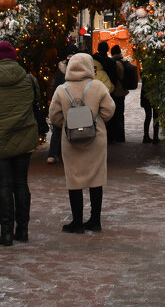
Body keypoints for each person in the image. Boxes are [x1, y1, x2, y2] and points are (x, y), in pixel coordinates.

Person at [0, 41, 38, 246]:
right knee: (21, 183)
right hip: (24, 139)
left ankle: (6, 233)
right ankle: (23, 230)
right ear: (15, 58)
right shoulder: (29, 81)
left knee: (4, 185)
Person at [49, 52, 115, 233]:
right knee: (96, 178)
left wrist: (70, 125)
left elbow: (54, 116)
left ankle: (77, 222)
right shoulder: (98, 87)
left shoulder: (62, 90)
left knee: (74, 179)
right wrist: (96, 121)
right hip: (96, 138)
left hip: (71, 140)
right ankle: (95, 220)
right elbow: (109, 110)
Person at [47, 42, 79, 164]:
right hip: (73, 102)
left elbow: (55, 88)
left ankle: (53, 153)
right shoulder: (78, 68)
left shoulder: (61, 69)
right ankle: (63, 153)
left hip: (61, 101)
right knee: (72, 128)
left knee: (58, 128)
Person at [110, 44, 128, 142]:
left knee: (117, 114)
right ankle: (121, 136)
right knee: (121, 114)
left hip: (117, 91)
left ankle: (118, 136)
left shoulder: (116, 63)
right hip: (122, 91)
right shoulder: (123, 61)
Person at [141, 75, 159, 144]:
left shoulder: (145, 75)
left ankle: (147, 137)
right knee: (155, 117)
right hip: (153, 97)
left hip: (146, 98)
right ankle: (155, 137)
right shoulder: (154, 75)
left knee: (149, 117)